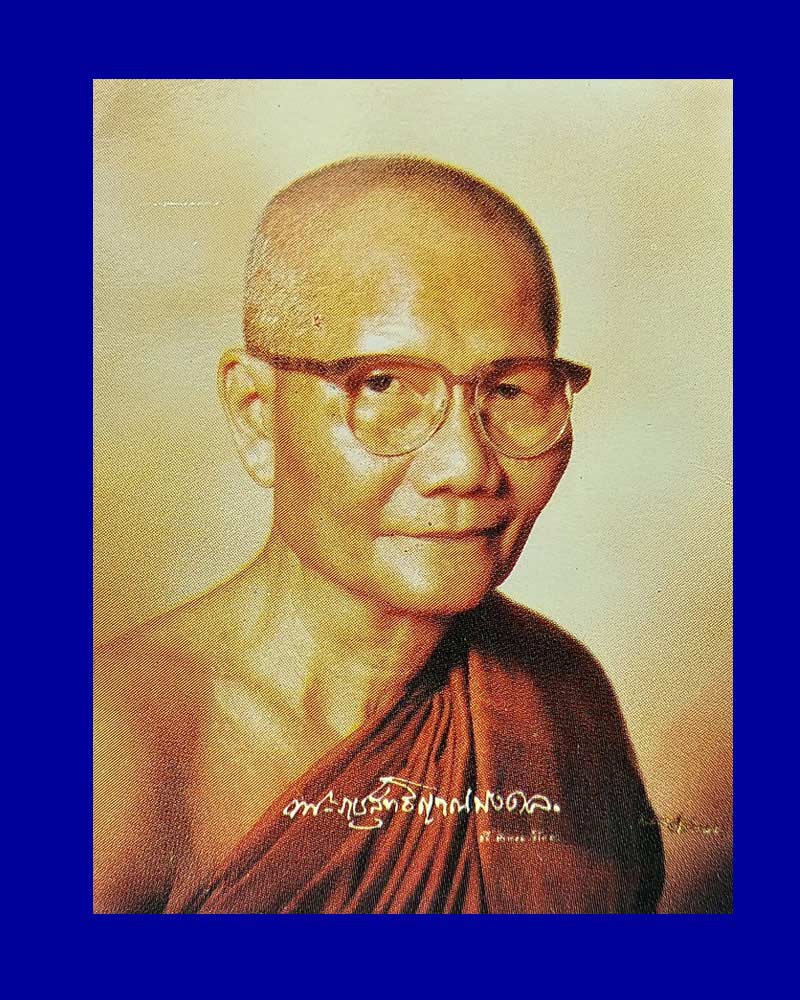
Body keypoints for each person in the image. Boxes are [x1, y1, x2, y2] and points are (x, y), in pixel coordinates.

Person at [93, 154, 664, 914]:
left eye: (510, 389)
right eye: (384, 385)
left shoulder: (559, 690)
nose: (465, 466)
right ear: (257, 414)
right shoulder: (115, 739)